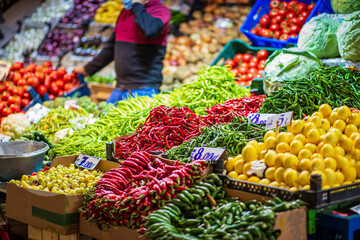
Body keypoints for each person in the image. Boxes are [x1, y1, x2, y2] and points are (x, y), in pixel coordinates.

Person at [73, 0, 170, 103]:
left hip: (145, 89)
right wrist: (87, 70)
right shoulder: (125, 12)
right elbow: (111, 48)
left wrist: (137, 5)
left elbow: (150, 30)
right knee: (104, 117)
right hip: (120, 88)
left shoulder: (160, 11)